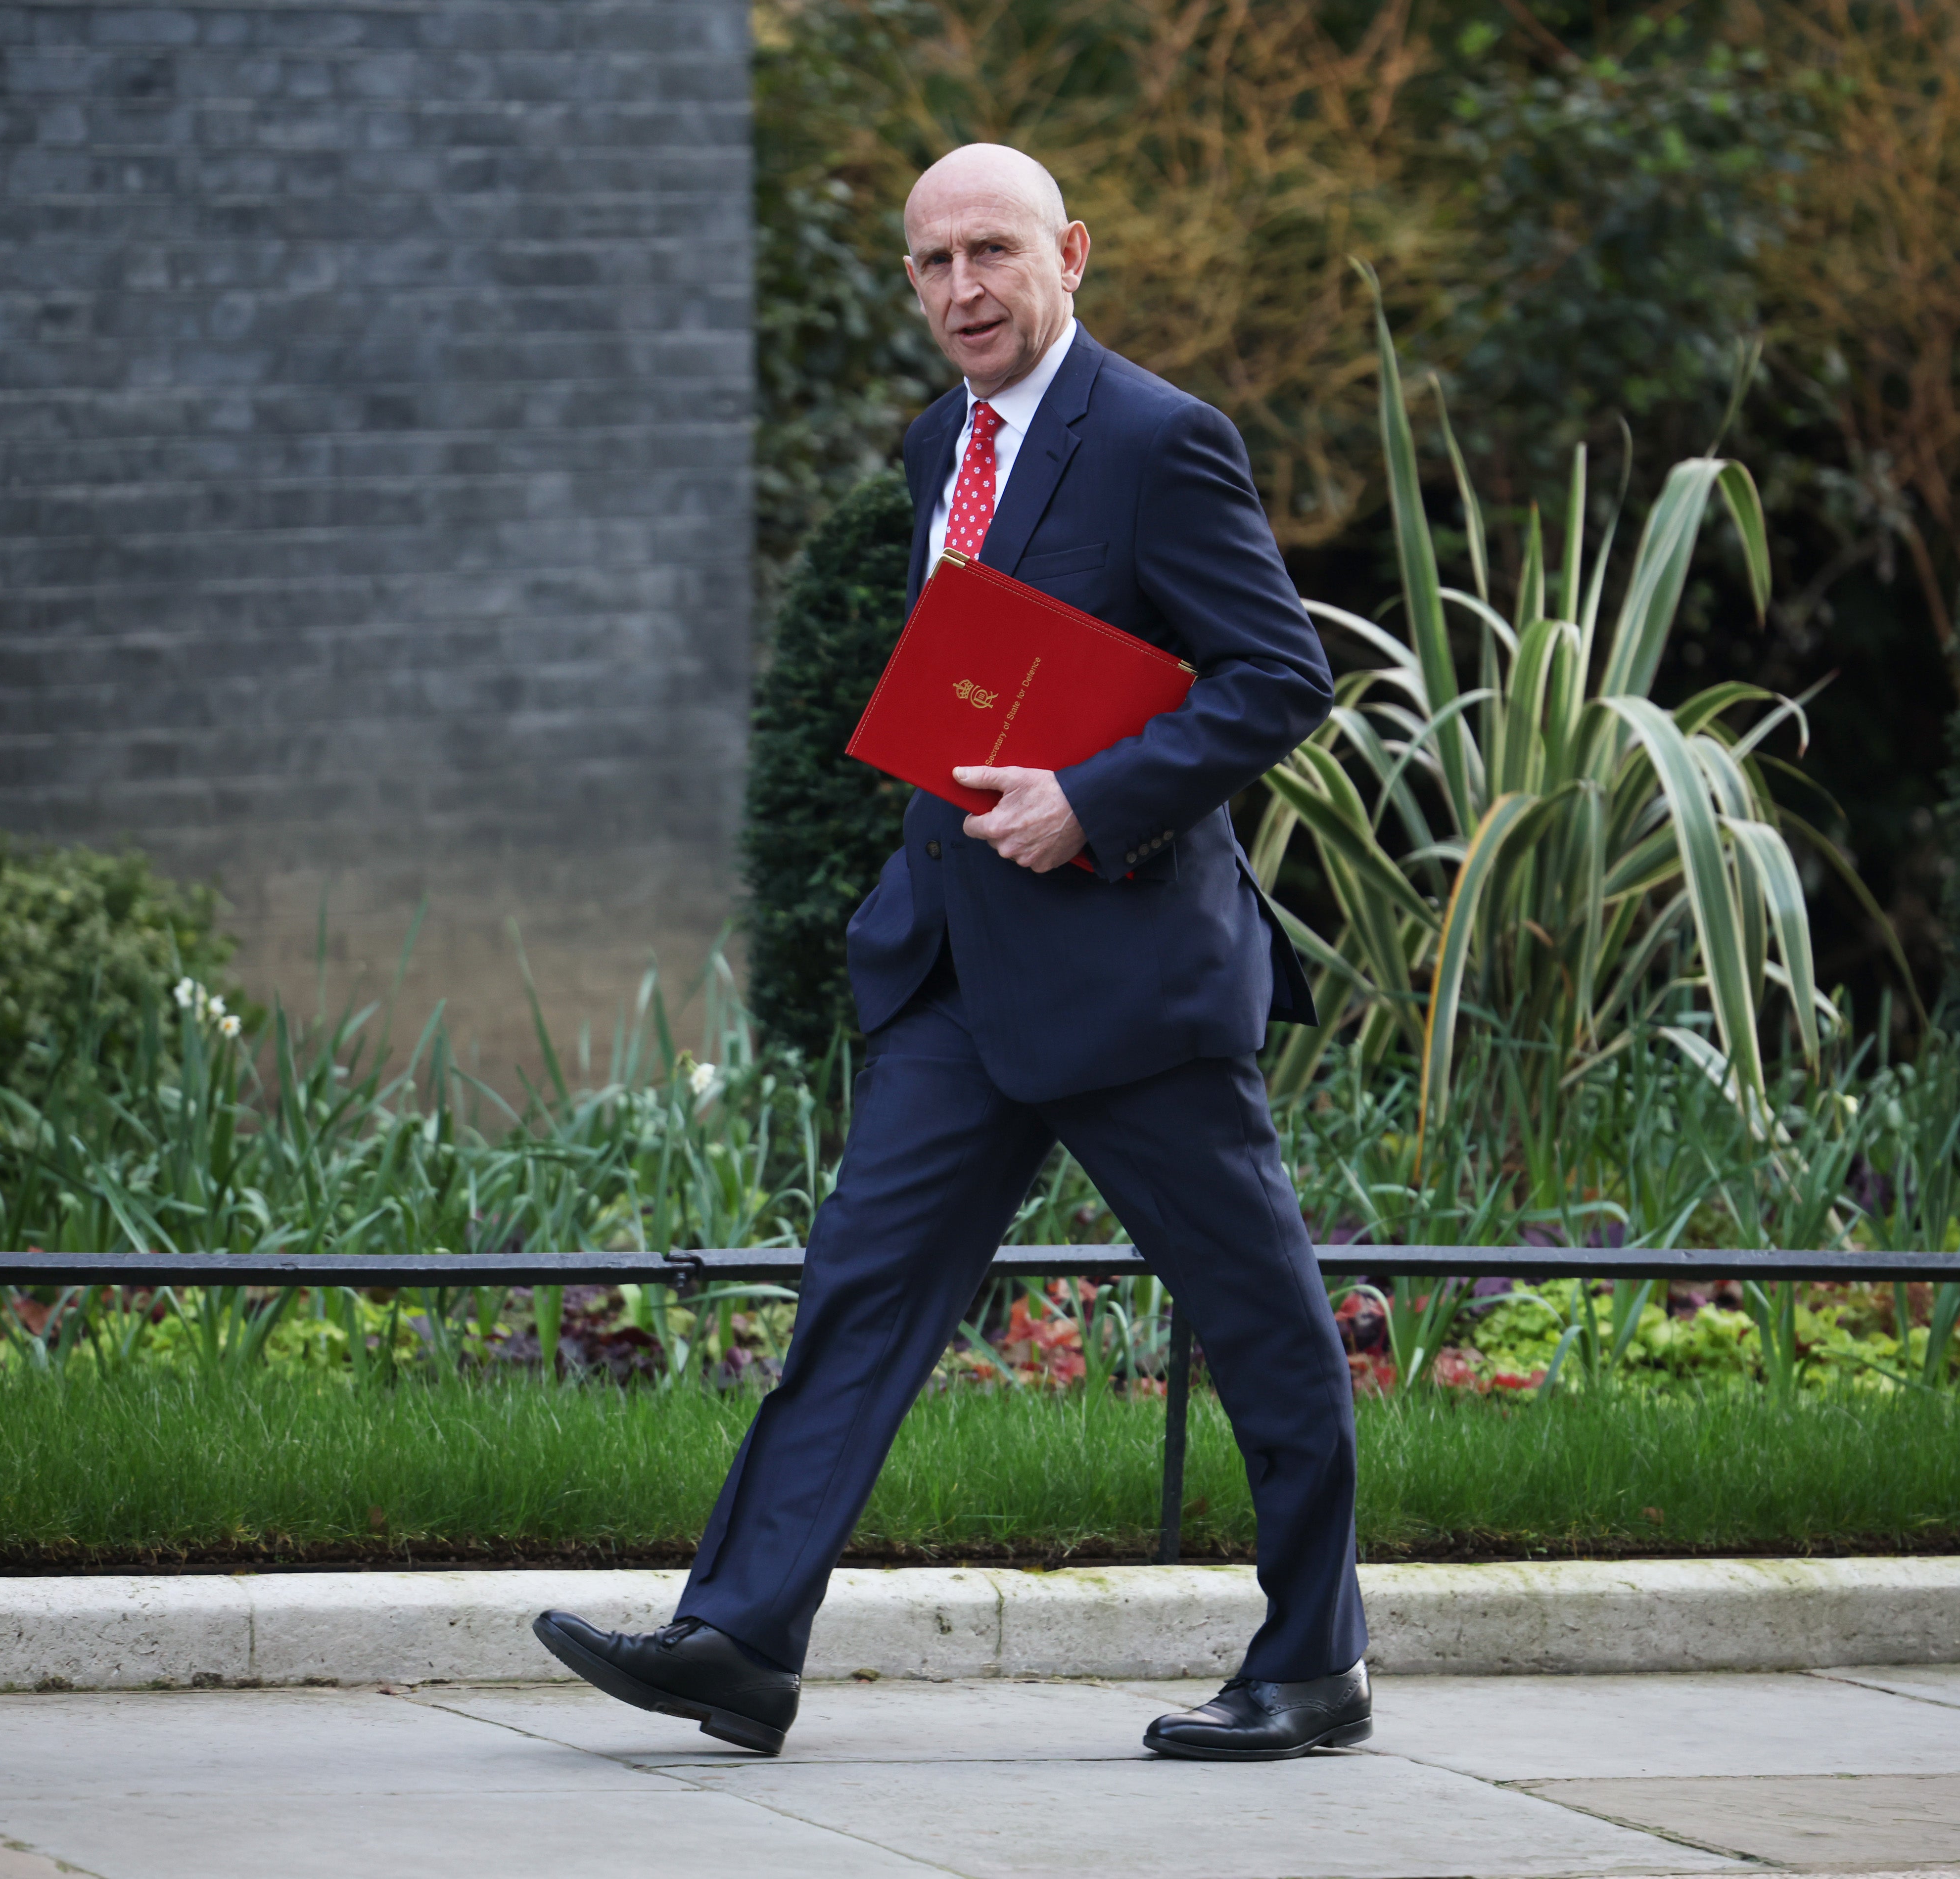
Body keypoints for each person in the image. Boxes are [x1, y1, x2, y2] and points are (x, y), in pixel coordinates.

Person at [533, 142, 1369, 1761]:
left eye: (993, 252)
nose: (963, 291)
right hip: (950, 967)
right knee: (856, 1299)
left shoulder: (1157, 440)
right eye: (932, 264)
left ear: (1068, 252)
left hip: (1128, 973)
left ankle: (1314, 1663)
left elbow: (1275, 675)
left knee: (1255, 1314)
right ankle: (739, 1639)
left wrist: (1094, 800)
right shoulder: (940, 444)